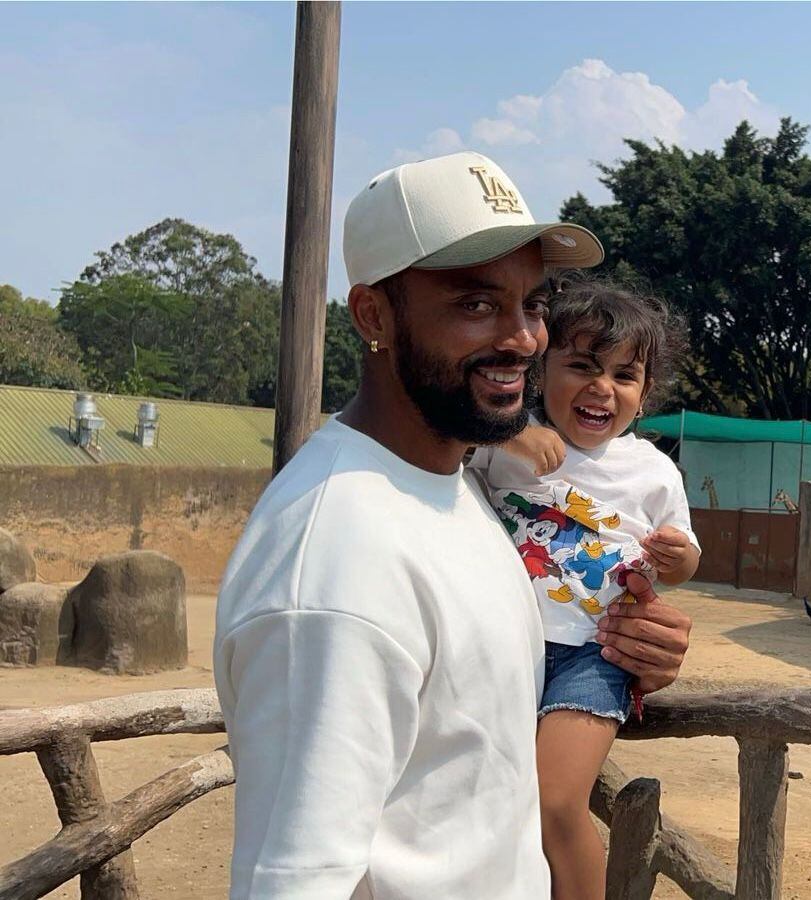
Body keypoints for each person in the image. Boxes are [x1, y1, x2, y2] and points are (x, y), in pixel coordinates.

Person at [213, 151, 692, 899]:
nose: (524, 338)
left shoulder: (459, 487)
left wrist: (632, 648)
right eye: (476, 305)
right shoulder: (334, 567)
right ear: (374, 315)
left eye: (532, 304)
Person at [470, 278, 700, 900]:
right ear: (541, 370)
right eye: (582, 366)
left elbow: (683, 562)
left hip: (592, 657)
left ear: (644, 395)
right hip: (501, 651)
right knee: (489, 803)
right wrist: (510, 430)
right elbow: (442, 439)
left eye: (625, 375)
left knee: (554, 800)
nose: (603, 388)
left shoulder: (653, 470)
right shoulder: (501, 442)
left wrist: (676, 560)